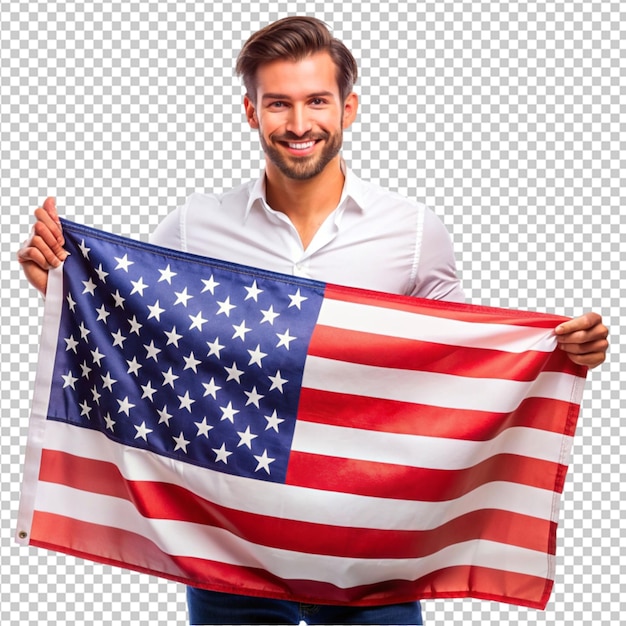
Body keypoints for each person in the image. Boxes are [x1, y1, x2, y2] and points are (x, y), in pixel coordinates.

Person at [17, 15, 609, 626]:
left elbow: (461, 361)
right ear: (251, 112)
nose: (299, 124)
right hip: (231, 558)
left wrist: (561, 351)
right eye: (278, 104)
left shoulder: (410, 232)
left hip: (371, 560)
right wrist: (63, 289)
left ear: (349, 108)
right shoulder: (196, 226)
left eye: (317, 101)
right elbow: (139, 341)